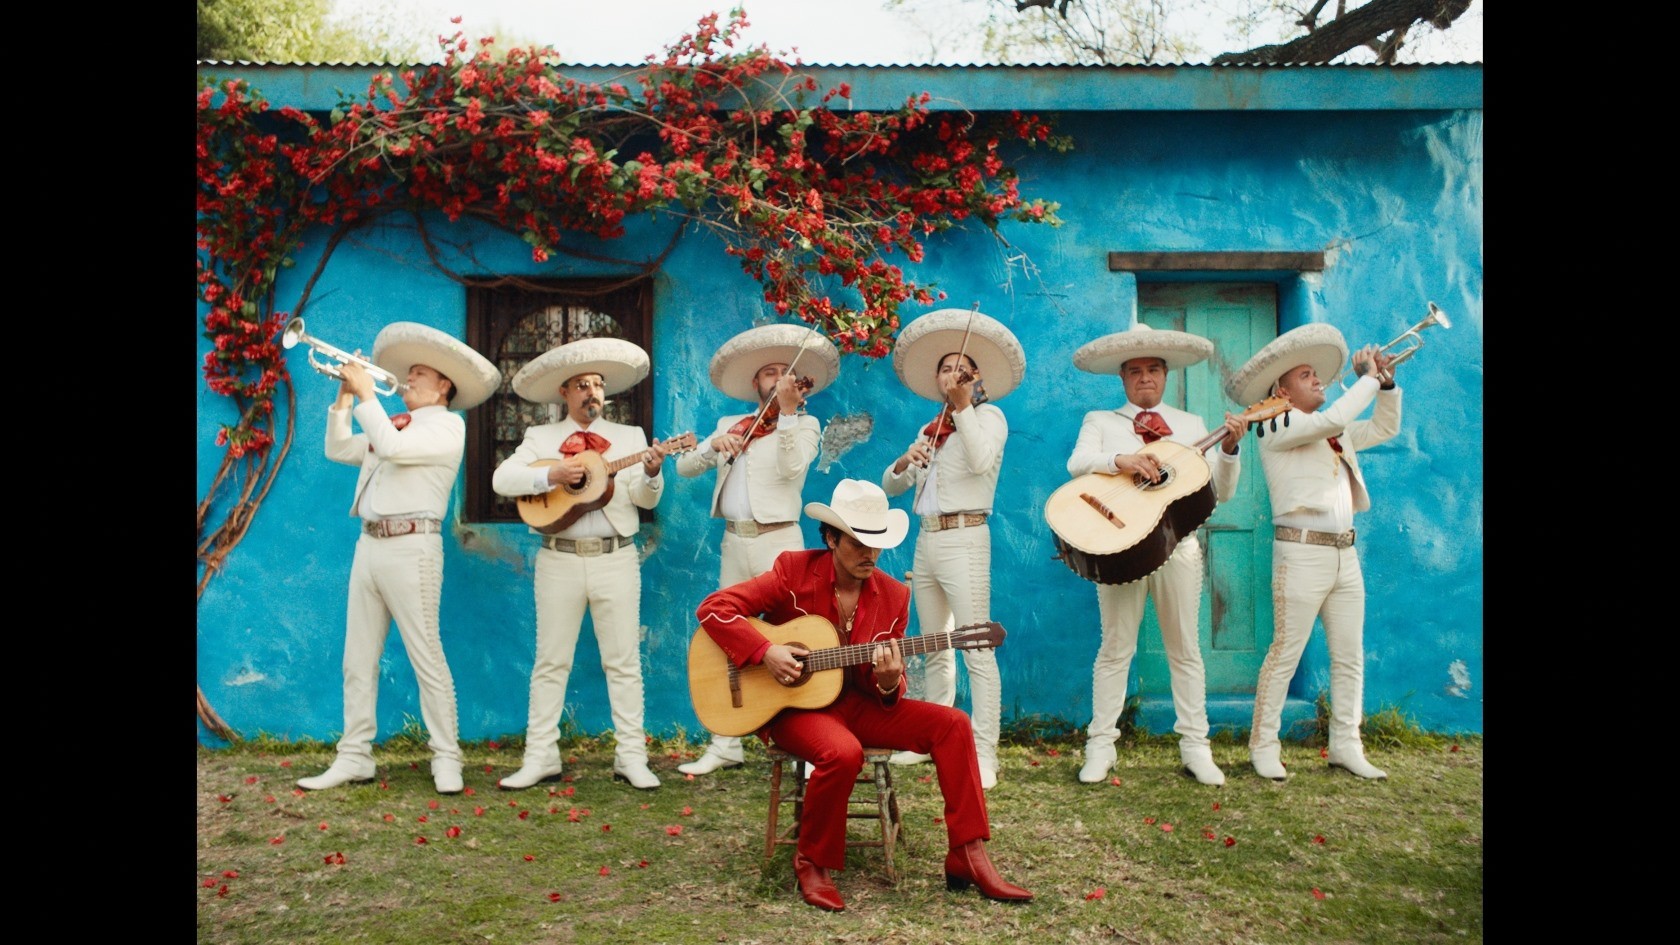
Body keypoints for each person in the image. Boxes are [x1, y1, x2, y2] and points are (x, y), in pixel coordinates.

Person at [696, 479, 1033, 911]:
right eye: (858, 543)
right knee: (842, 752)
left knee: (953, 724)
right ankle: (812, 862)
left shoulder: (894, 596)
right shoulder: (793, 571)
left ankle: (968, 854)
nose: (869, 554)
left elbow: (888, 688)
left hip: (855, 704)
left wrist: (889, 682)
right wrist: (766, 652)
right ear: (831, 538)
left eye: (876, 543)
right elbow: (714, 609)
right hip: (792, 707)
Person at [297, 322, 503, 795]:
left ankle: (447, 757)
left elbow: (393, 449)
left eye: (418, 374)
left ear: (444, 386)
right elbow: (337, 448)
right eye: (408, 374)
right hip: (369, 545)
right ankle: (354, 756)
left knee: (425, 655)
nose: (407, 380)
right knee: (357, 659)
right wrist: (345, 396)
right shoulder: (391, 422)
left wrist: (367, 394)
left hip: (414, 548)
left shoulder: (448, 427)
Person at [1065, 325, 1247, 787]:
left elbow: (1221, 492)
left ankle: (1196, 747)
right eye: (1134, 371)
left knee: (1185, 649)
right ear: (1122, 378)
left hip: (1177, 549)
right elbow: (1077, 462)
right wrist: (1121, 460)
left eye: (1153, 369)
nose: (1144, 377)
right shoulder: (1101, 420)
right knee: (1115, 648)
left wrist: (1229, 450)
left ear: (1165, 375)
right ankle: (1101, 746)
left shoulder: (1190, 424)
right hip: (1119, 548)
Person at [491, 337, 670, 791]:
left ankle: (631, 757)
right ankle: (540, 757)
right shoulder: (541, 438)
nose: (592, 392)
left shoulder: (630, 437)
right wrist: (552, 474)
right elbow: (502, 479)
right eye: (582, 385)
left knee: (623, 662)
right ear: (565, 393)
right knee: (551, 661)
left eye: (598, 385)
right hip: (559, 559)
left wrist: (652, 473)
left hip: (616, 557)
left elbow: (645, 500)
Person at [1224, 323, 1401, 781]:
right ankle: (1263, 745)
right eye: (1306, 376)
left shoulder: (1332, 431)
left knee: (1349, 656)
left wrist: (1386, 385)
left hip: (1345, 554)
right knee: (1286, 653)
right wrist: (1366, 377)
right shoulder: (1275, 423)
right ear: (1282, 391)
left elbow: (1385, 426)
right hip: (1301, 555)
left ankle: (1346, 745)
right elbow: (1330, 419)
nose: (1318, 379)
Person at [675, 324, 840, 777]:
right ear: (756, 383)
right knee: (726, 629)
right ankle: (725, 742)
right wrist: (712, 445)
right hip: (735, 540)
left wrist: (787, 413)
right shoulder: (731, 425)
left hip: (779, 541)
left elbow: (792, 468)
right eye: (770, 372)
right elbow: (686, 468)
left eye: (785, 372)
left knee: (797, 637)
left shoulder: (805, 424)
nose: (778, 377)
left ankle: (809, 742)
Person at [880, 309, 1024, 791]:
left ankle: (984, 754)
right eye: (946, 369)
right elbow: (892, 486)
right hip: (927, 539)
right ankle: (930, 738)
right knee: (933, 644)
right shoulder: (930, 429)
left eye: (962, 368)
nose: (952, 375)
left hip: (966, 536)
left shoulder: (989, 417)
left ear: (976, 378)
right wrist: (905, 460)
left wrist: (964, 408)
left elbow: (982, 461)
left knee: (975, 647)